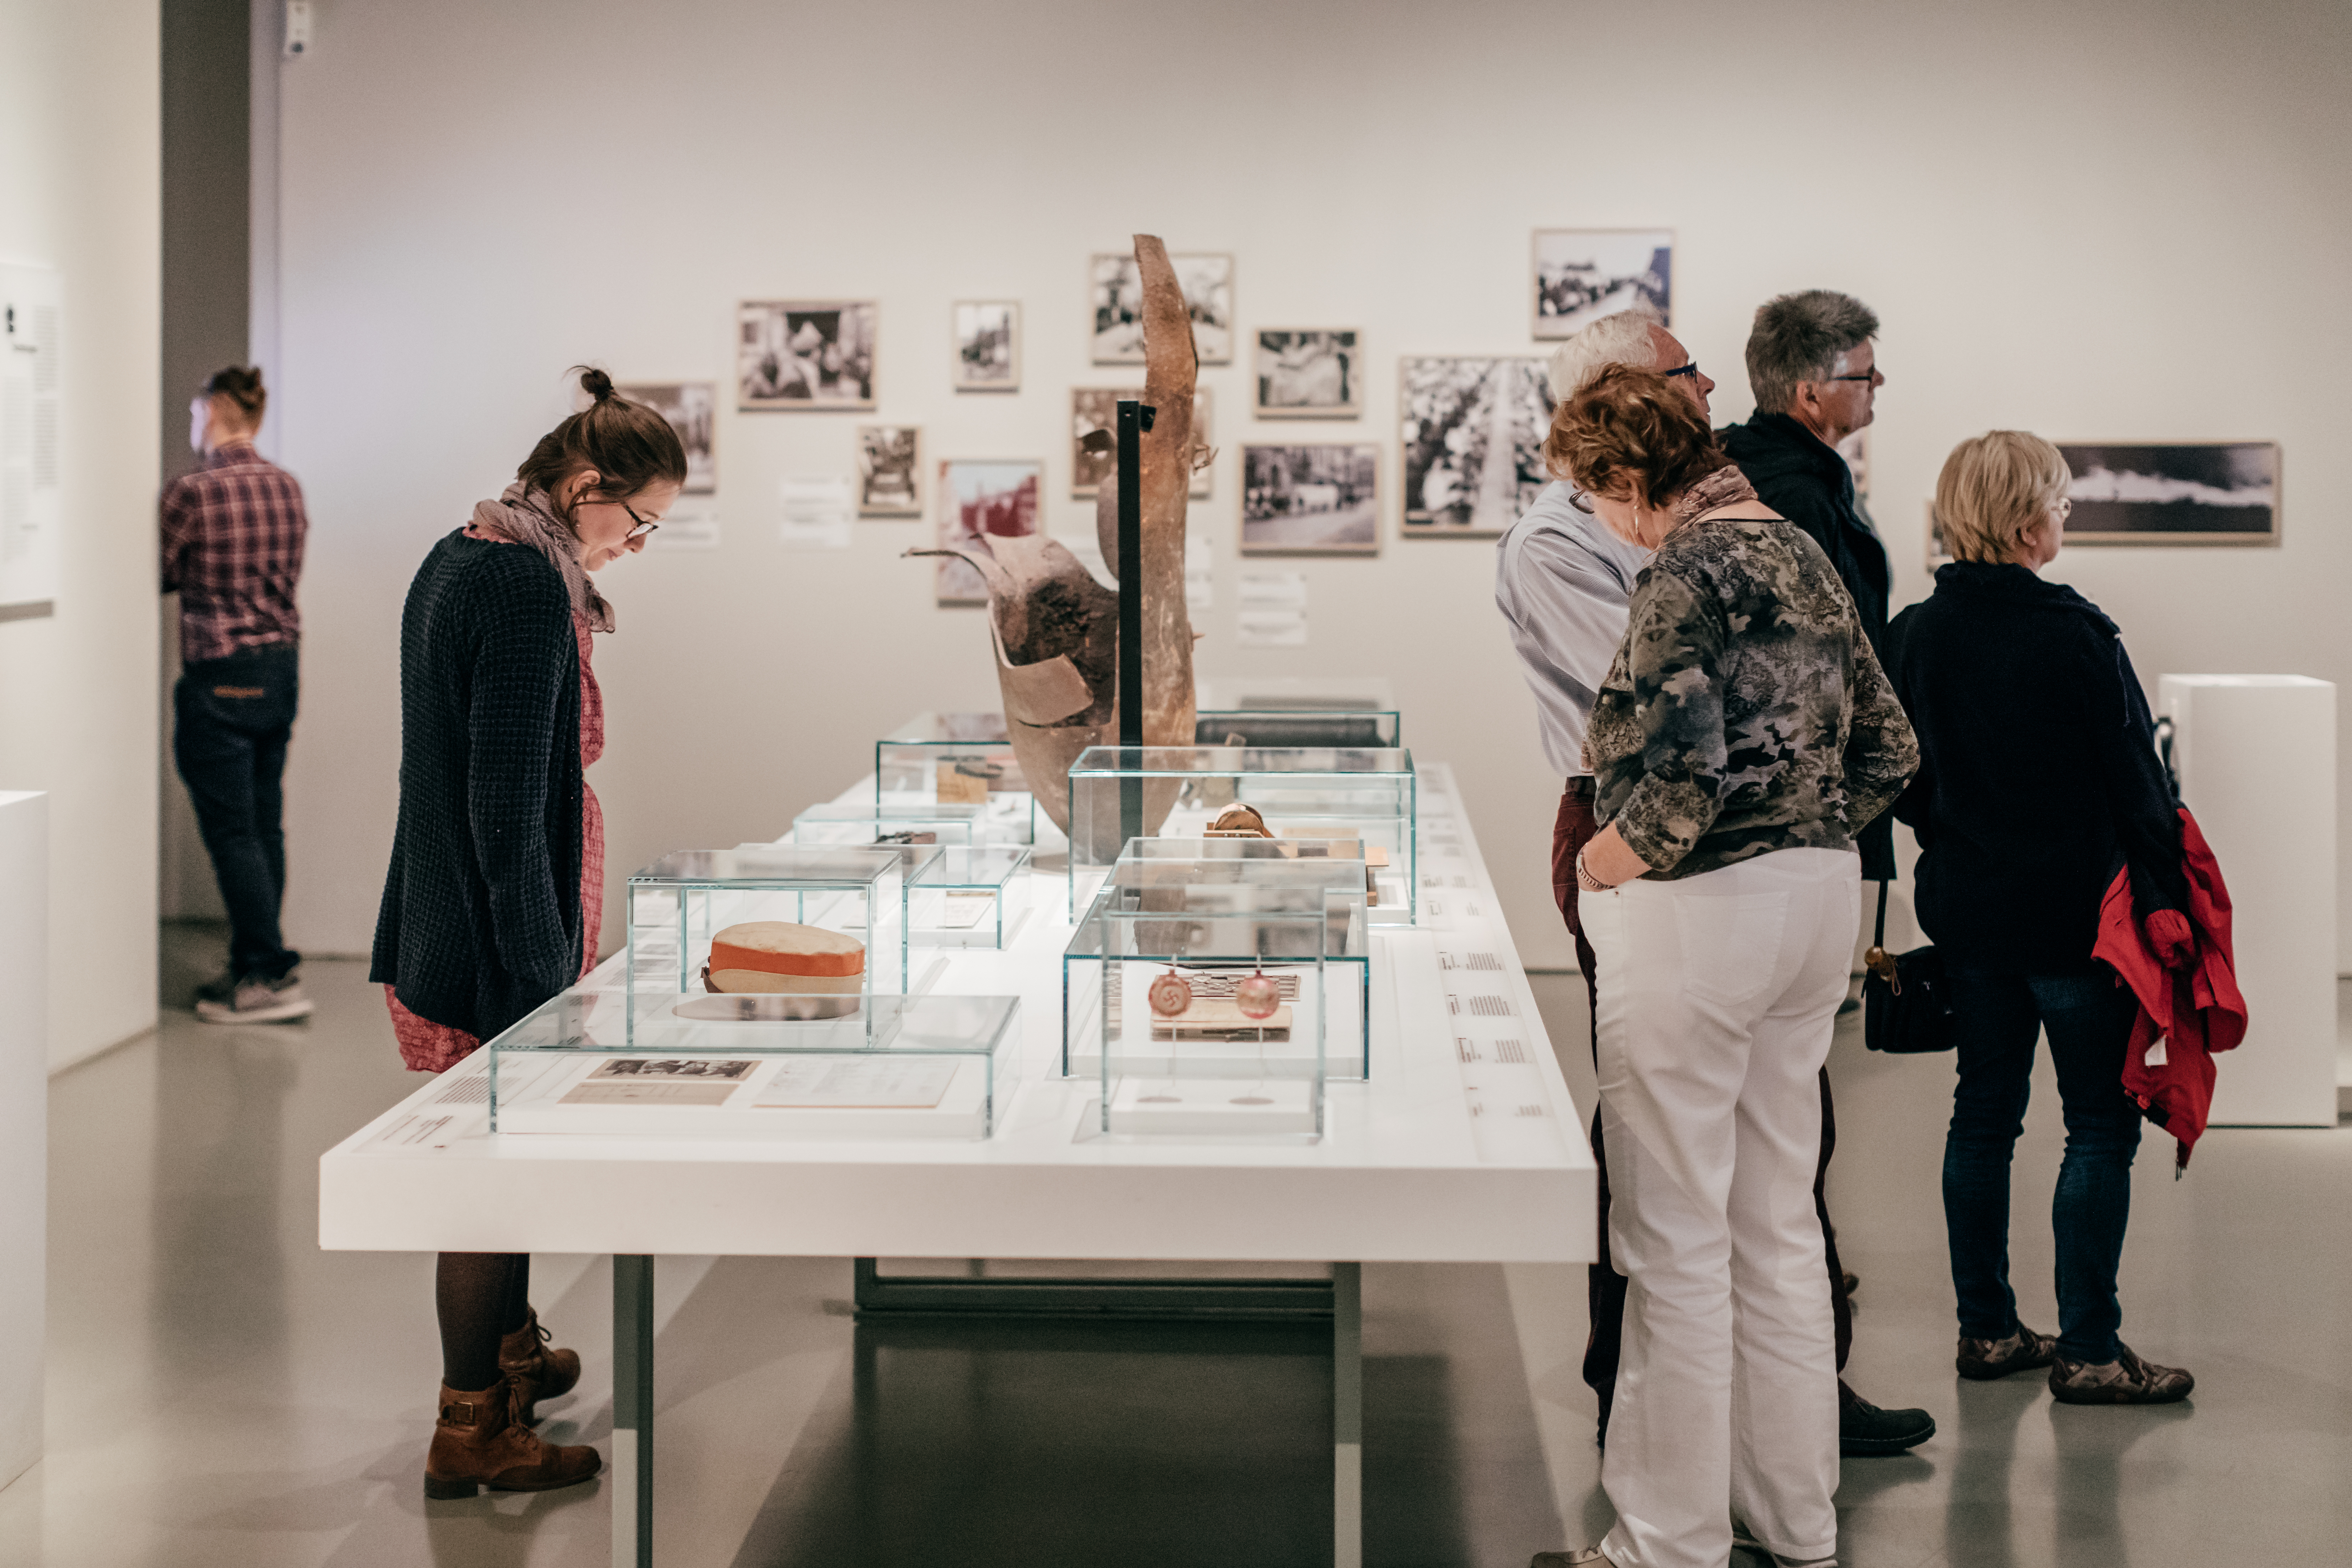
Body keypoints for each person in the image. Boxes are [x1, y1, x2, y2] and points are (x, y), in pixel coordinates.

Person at [1498, 307, 1925, 1462]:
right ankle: (1795, 1511)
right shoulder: (1791, 540)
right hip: (1809, 887)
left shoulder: (1681, 568)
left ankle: (1665, 1533)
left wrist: (1597, 862)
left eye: (1603, 497)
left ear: (1624, 472)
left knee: (1676, 1232)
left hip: (1690, 889)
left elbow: (1672, 774)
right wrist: (1806, 824)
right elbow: (1890, 747)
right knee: (1780, 1218)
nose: (1602, 522)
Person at [371, 367, 682, 1497]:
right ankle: (472, 1427)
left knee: (505, 1162)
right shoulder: (521, 591)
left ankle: (510, 1355)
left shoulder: (463, 550)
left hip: (446, 912)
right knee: (492, 1178)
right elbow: (502, 803)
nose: (637, 547)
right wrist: (543, 977)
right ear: (587, 484)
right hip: (489, 938)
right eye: (638, 523)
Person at [1885, 432, 2195, 1406]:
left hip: (1969, 912)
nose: (2065, 519)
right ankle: (2091, 1350)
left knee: (1983, 1115)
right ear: (2027, 523)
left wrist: (1953, 826)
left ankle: (1986, 1330)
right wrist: (2166, 900)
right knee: (2098, 1127)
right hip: (2075, 921)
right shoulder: (2075, 634)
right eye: (2060, 505)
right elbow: (2137, 783)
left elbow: (1895, 773)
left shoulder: (1913, 633)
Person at [159, 366, 314, 1024]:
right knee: (263, 821)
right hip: (280, 669)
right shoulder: (287, 487)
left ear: (216, 410)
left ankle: (261, 974)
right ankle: (262, 960)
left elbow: (160, 571)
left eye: (197, 415)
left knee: (232, 832)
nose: (195, 429)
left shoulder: (191, 492)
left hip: (220, 672)